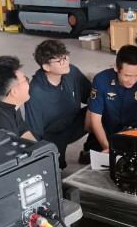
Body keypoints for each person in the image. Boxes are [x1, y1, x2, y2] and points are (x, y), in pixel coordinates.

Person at [25, 40, 91, 168]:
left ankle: (91, 150)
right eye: (59, 60)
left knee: (102, 109)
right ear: (46, 67)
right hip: (52, 135)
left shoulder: (72, 72)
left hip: (73, 122)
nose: (65, 62)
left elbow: (90, 96)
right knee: (57, 169)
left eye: (65, 57)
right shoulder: (35, 92)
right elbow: (34, 133)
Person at [85, 45, 137, 153]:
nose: (132, 80)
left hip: (132, 130)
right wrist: (108, 148)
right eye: (127, 75)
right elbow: (95, 120)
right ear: (116, 68)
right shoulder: (101, 80)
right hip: (105, 132)